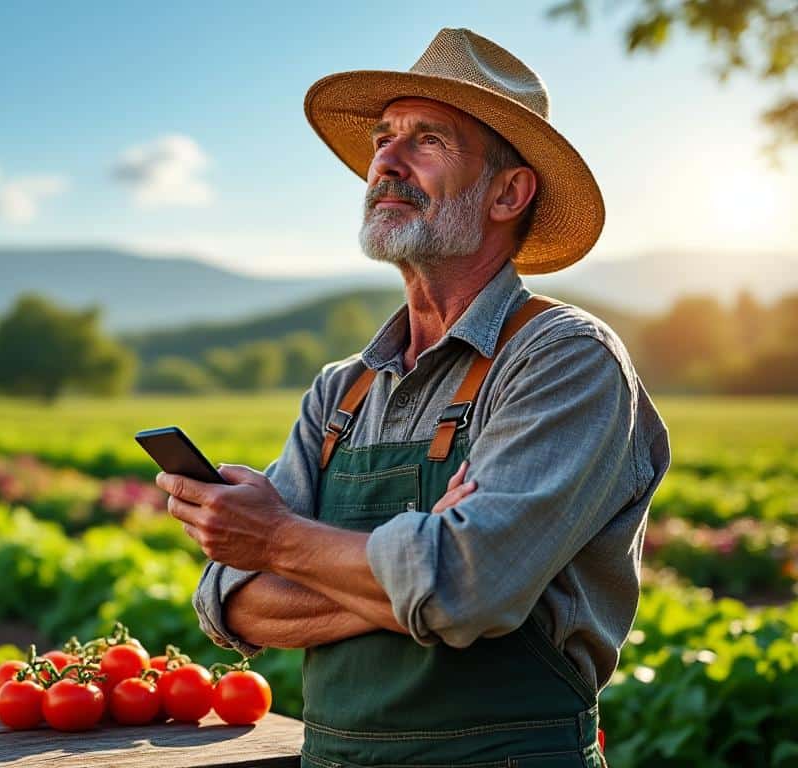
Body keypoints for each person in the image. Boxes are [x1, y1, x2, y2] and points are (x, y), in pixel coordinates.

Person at [156, 27, 670, 768]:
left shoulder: (564, 359)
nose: (386, 162)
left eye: (426, 140)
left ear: (507, 191)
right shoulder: (342, 389)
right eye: (382, 138)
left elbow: (469, 587)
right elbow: (234, 602)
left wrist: (278, 542)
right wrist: (419, 561)